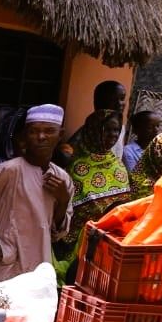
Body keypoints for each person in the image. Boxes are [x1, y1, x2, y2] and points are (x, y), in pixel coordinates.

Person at [0, 104, 74, 284]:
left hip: (38, 272)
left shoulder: (62, 179)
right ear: (25, 135)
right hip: (2, 269)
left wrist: (63, 200)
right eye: (34, 131)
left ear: (60, 135)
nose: (41, 137)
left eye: (49, 131)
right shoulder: (8, 171)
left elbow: (58, 234)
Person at [55, 108, 130, 273]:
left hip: (110, 249)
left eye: (116, 130)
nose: (112, 135)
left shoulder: (118, 165)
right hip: (73, 251)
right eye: (106, 129)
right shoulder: (74, 167)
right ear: (93, 130)